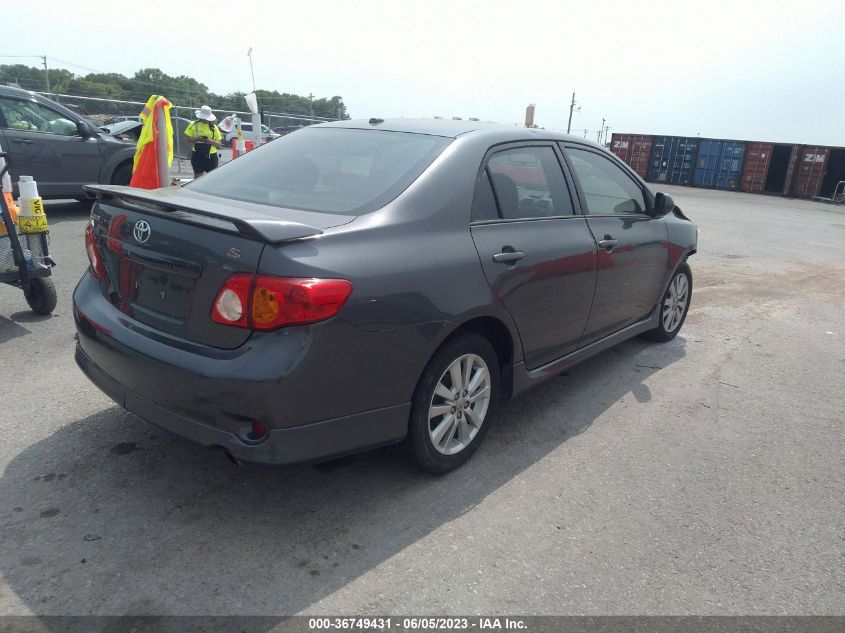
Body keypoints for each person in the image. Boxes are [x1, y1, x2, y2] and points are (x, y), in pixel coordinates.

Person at [184, 105, 222, 178]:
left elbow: (219, 144)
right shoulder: (193, 124)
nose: (205, 119)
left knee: (211, 177)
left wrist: (209, 141)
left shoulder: (214, 127)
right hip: (197, 154)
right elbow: (188, 139)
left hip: (211, 155)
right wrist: (198, 139)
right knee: (197, 176)